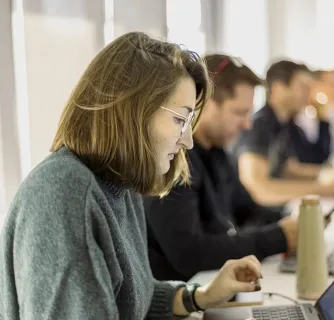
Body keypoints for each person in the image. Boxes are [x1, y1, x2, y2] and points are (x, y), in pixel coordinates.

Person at [0, 32, 262, 319]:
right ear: (132, 111)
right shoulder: (63, 195)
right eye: (179, 119)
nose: (188, 140)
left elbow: (137, 298)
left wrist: (203, 295)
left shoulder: (119, 186)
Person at [144, 54, 297, 281]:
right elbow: (189, 253)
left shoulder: (217, 153)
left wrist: (292, 218)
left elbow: (247, 210)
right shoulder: (172, 159)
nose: (247, 124)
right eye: (239, 113)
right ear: (205, 104)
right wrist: (280, 237)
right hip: (181, 303)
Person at [234, 60, 334, 209]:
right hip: (256, 220)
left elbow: (290, 169)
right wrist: (326, 189)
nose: (309, 94)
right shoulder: (259, 125)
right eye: (303, 87)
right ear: (279, 89)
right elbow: (258, 188)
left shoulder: (285, 124)